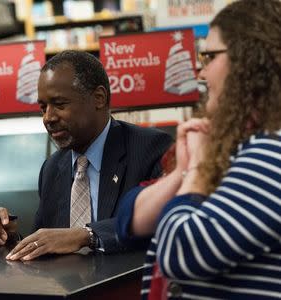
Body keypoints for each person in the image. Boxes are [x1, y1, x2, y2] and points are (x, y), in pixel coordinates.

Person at [118, 0, 281, 298]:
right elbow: (128, 220)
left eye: (209, 57)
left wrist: (196, 172)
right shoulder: (245, 146)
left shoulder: (270, 155)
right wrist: (185, 170)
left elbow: (179, 251)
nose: (201, 74)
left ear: (249, 60)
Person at [0, 50, 173, 261]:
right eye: (43, 108)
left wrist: (87, 235)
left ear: (98, 98)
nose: (48, 118)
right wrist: (11, 238)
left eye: (60, 104)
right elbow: (49, 243)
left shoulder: (151, 149)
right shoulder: (52, 169)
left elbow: (164, 221)